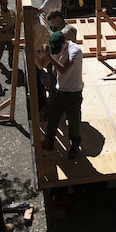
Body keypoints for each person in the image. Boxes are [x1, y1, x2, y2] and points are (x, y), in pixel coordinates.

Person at [42, 31, 83, 160]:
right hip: (60, 90)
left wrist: (48, 56)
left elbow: (63, 70)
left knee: (73, 120)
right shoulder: (59, 47)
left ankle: (74, 144)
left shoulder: (75, 51)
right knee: (53, 117)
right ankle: (48, 141)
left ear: (65, 43)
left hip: (73, 92)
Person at [0, 0, 16, 69]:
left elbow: (16, 22)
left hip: (10, 36)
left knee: (12, 51)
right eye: (3, 4)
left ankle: (11, 64)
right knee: (0, 51)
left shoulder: (11, 11)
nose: (5, 5)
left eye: (6, 4)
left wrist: (13, 28)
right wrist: (1, 28)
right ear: (0, 3)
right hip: (1, 37)